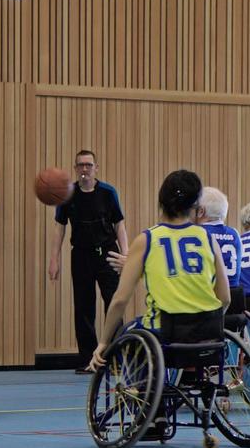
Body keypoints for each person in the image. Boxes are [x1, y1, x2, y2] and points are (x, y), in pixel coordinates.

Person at [89, 169, 230, 371]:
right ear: (195, 208)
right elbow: (224, 298)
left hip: (165, 331)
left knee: (128, 330)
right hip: (207, 331)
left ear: (161, 202)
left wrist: (103, 343)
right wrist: (206, 323)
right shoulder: (208, 239)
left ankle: (137, 388)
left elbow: (120, 299)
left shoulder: (147, 240)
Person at [47, 150, 129, 374]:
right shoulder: (68, 194)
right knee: (83, 308)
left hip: (108, 254)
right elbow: (59, 227)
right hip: (81, 255)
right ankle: (87, 359)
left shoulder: (108, 192)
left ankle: (115, 359)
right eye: (81, 165)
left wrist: (126, 255)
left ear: (96, 168)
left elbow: (119, 224)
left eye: (89, 165)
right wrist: (54, 259)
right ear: (75, 169)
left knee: (114, 304)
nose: (85, 169)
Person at [195, 187, 244, 289]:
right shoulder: (235, 233)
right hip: (235, 292)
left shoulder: (198, 233)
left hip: (212, 293)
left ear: (201, 211)